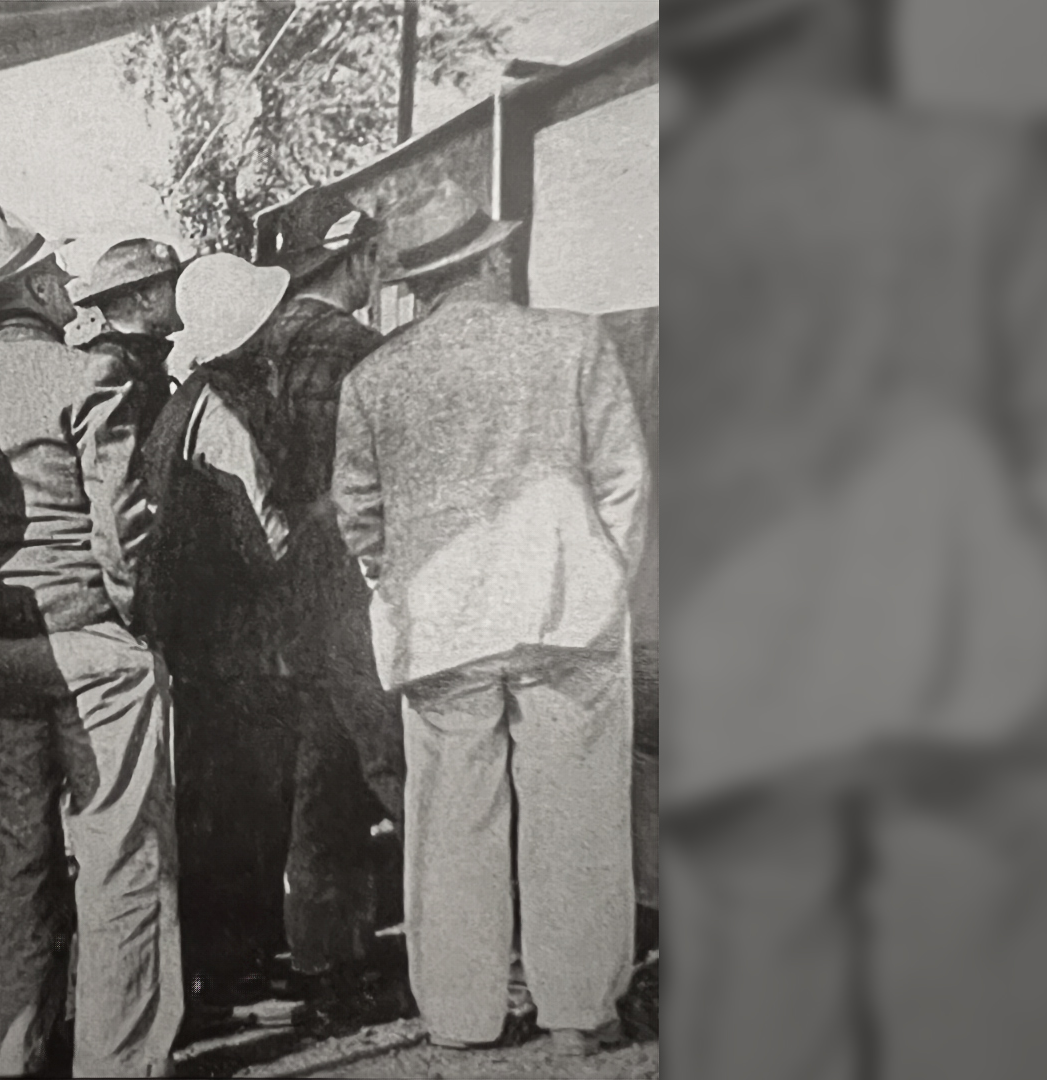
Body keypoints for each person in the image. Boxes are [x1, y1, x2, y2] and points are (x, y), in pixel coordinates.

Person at [662, 1, 1047, 1078]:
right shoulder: (982, 175)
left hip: (759, 650)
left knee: (766, 970)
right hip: (954, 648)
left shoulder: (697, 196)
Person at [332, 177, 649, 1055]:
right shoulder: (572, 342)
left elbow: (359, 513)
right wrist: (602, 571)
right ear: (494, 258)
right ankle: (580, 1011)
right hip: (565, 610)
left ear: (422, 282)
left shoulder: (374, 378)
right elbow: (622, 478)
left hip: (439, 624)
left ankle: (464, 1017)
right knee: (575, 812)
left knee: (449, 826)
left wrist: (396, 581)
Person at [0, 202, 181, 1077]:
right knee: (121, 860)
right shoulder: (89, 379)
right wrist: (133, 620)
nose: (69, 286)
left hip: (2, 656)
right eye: (56, 274)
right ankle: (119, 1061)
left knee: (16, 863)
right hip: (95, 646)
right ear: (29, 288)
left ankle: (14, 1056)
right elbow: (120, 526)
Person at [258, 206, 409, 1019]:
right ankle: (479, 931)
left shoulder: (259, 347)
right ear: (355, 260)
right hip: (355, 591)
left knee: (320, 778)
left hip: (283, 599)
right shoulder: (360, 351)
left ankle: (325, 952)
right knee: (400, 766)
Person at [137, 253, 298, 1013]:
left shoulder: (182, 405)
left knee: (210, 800)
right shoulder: (229, 413)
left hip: (197, 638)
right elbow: (264, 534)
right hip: (242, 641)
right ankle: (238, 966)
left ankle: (216, 960)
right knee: (244, 805)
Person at [75, 237, 189, 430]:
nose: (180, 293)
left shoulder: (137, 356)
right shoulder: (112, 365)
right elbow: (113, 456)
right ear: (143, 298)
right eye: (172, 285)